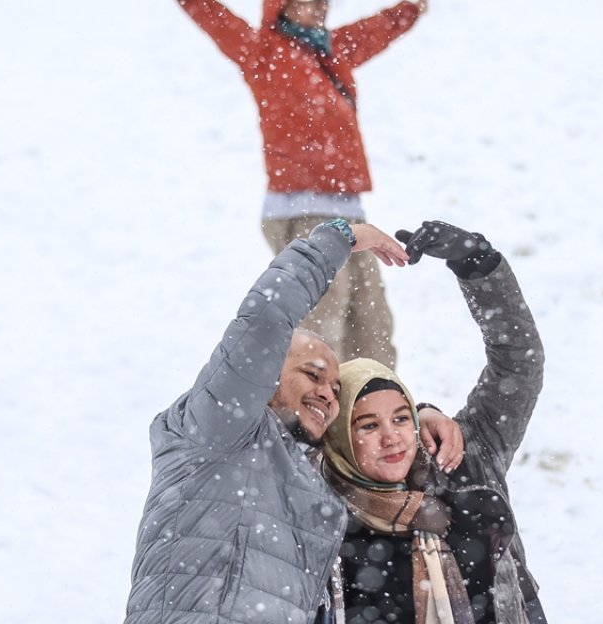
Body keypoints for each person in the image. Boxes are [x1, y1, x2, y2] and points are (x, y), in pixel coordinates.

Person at [124, 219, 466, 624]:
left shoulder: (311, 481)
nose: (327, 392)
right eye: (313, 373)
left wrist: (424, 413)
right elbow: (267, 317)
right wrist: (339, 237)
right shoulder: (218, 426)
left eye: (336, 389)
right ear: (266, 371)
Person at [149, 0, 432, 369]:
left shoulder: (332, 50)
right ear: (282, 5)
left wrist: (410, 11)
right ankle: (310, 421)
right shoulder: (263, 52)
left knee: (372, 326)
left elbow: (371, 32)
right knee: (322, 328)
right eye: (308, 0)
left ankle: (375, 415)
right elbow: (222, 25)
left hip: (349, 213)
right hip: (300, 215)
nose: (319, 8)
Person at [320, 221, 549, 623]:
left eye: (401, 417)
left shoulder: (462, 460)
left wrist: (477, 262)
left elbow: (518, 365)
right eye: (368, 426)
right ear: (339, 437)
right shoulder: (318, 509)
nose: (392, 438)